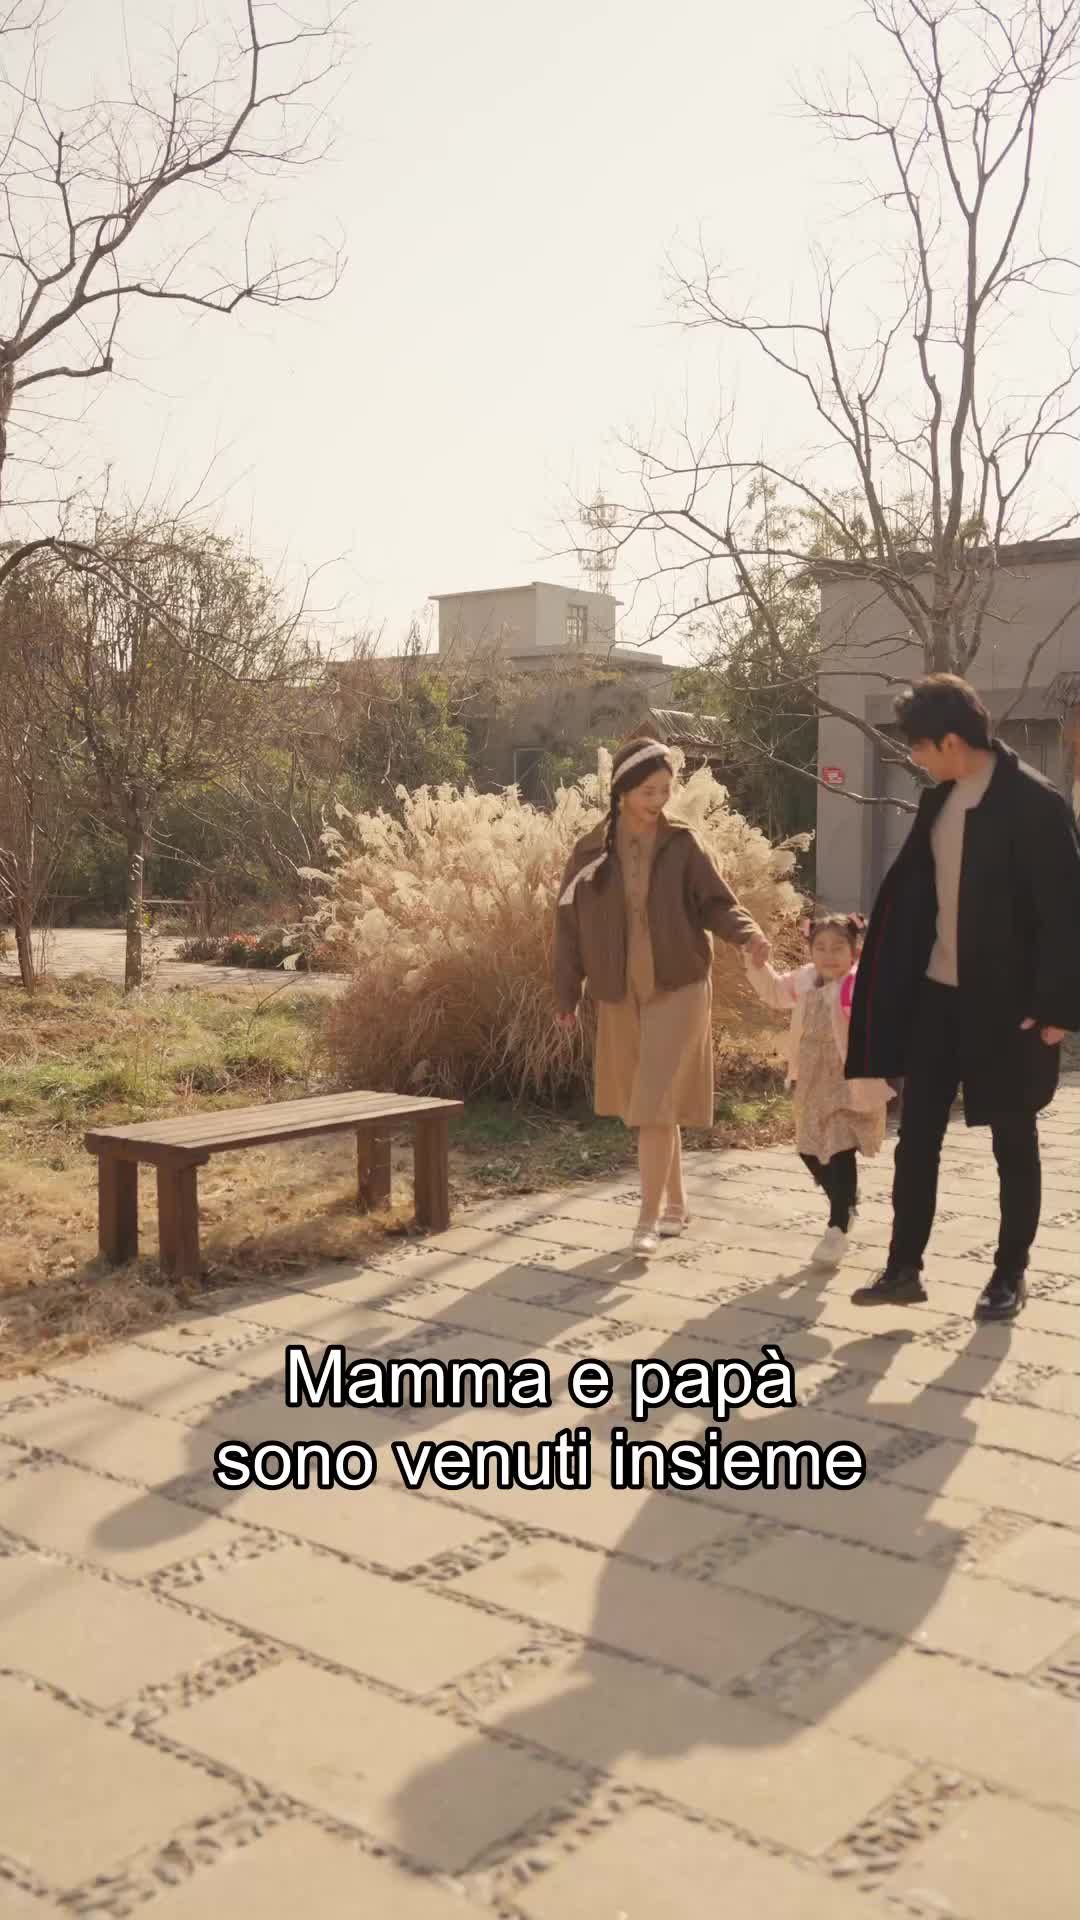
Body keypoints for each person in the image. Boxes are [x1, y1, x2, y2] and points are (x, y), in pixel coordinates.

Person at [846, 673, 1080, 1321]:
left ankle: (1009, 1273)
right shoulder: (939, 801)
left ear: (950, 741)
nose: (914, 758)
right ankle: (903, 1268)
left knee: (1013, 1138)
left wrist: (1059, 1008)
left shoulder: (1035, 803)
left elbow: (1066, 914)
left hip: (1010, 1008)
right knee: (917, 1135)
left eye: (918, 746)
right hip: (938, 998)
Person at [553, 735, 769, 1255]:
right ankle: (676, 1204)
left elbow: (717, 903)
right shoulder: (589, 852)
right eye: (648, 791)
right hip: (619, 991)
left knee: (652, 1101)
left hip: (680, 985)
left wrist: (748, 935)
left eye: (665, 790)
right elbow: (568, 927)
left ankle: (646, 1221)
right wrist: (566, 993)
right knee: (652, 1103)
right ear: (623, 790)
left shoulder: (683, 844)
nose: (659, 800)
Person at [745, 912, 893, 1268]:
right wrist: (757, 965)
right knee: (809, 1150)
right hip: (812, 1081)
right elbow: (775, 992)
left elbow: (882, 1009)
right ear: (810, 951)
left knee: (839, 1148)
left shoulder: (857, 985)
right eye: (821, 947)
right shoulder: (805, 980)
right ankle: (845, 1199)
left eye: (838, 947)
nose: (829, 955)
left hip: (849, 1082)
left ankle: (837, 1227)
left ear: (855, 951)